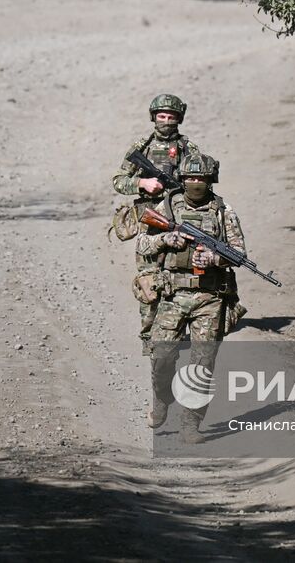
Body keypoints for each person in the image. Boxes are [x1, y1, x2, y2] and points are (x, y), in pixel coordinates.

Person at [144, 153, 248, 442]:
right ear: (182, 179)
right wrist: (165, 239)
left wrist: (215, 257)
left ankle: (191, 424)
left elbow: (239, 255)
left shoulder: (223, 211)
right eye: (190, 178)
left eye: (201, 178)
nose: (195, 183)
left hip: (209, 298)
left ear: (210, 180)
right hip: (172, 294)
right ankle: (162, 398)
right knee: (162, 357)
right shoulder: (167, 207)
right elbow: (142, 243)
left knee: (202, 366)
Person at [113, 94, 201, 355]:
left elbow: (200, 183)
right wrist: (142, 184)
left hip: (178, 222)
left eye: (171, 117)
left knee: (179, 278)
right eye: (161, 116)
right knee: (149, 280)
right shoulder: (143, 146)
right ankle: (149, 336)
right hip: (150, 223)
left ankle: (176, 332)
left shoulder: (188, 149)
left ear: (179, 119)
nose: (165, 121)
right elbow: (118, 180)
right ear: (153, 117)